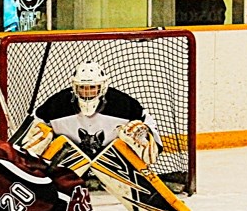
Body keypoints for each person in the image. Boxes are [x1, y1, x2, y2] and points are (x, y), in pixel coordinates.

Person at [26, 60, 163, 163]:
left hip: (115, 164)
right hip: (68, 164)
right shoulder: (57, 104)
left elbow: (150, 130)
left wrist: (146, 139)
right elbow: (33, 125)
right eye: (82, 87)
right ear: (74, 87)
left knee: (134, 131)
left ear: (102, 87)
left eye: (92, 87)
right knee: (40, 134)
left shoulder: (123, 104)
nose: (87, 92)